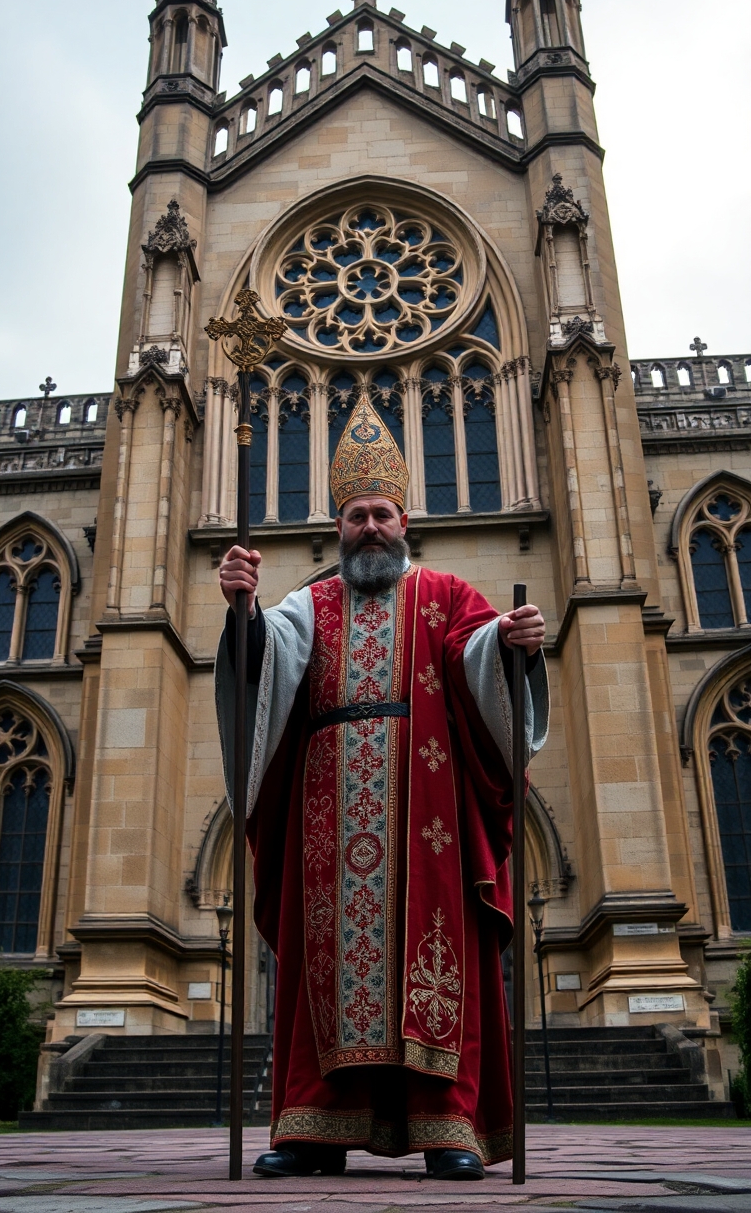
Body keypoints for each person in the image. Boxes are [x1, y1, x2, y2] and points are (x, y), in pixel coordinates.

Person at [215, 391, 548, 1181]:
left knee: (435, 961)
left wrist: (514, 644)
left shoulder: (446, 596)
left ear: (407, 522)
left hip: (426, 816)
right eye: (357, 514)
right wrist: (243, 611)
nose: (370, 527)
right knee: (322, 967)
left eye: (383, 514)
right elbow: (268, 665)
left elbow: (479, 652)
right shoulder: (312, 602)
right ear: (336, 524)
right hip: (324, 817)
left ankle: (447, 1126)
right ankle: (313, 1131)